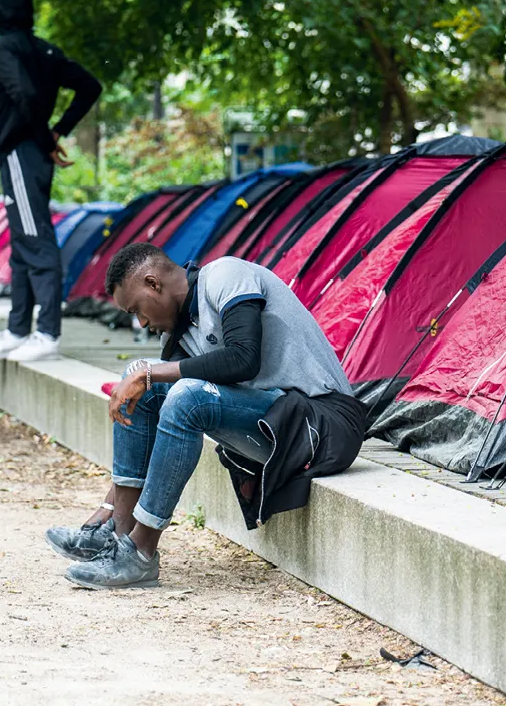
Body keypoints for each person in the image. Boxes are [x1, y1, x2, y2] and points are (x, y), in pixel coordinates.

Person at [45, 244, 366, 589]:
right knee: (140, 381)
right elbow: (153, 390)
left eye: (137, 308)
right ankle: (115, 531)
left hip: (324, 425)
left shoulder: (225, 275)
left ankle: (140, 553)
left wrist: (149, 373)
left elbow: (244, 358)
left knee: (181, 393)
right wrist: (142, 376)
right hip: (278, 423)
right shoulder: (183, 333)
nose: (141, 322)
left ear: (153, 284)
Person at [0, 0, 101, 363]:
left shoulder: (4, 49)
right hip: (33, 154)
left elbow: (26, 97)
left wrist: (47, 138)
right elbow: (90, 86)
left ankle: (46, 333)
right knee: (23, 241)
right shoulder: (46, 51)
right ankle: (16, 330)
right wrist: (58, 131)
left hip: (20, 152)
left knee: (35, 239)